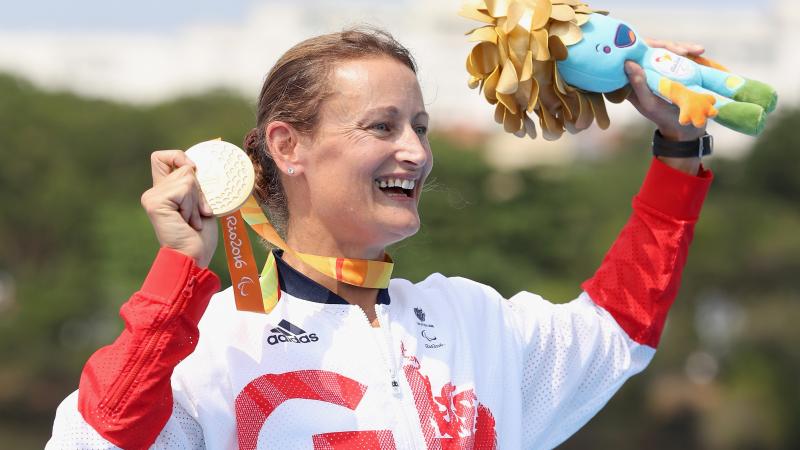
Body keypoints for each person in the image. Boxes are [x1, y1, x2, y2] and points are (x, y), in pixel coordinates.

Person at [46, 28, 713, 449]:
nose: (416, 152)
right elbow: (97, 439)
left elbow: (621, 324)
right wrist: (176, 275)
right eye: (383, 126)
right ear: (288, 145)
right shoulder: (210, 342)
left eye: (419, 126)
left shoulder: (473, 319)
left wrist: (681, 144)